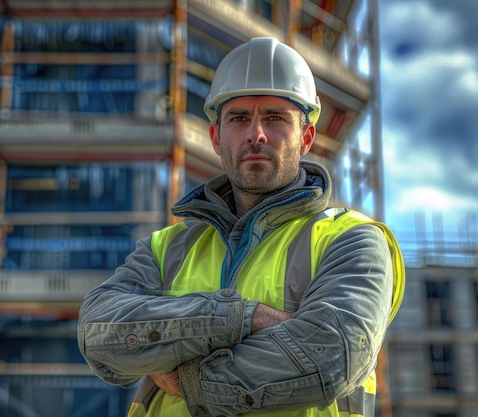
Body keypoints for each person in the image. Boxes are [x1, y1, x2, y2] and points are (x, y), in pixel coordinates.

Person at [77, 37, 405, 417]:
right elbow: (98, 334)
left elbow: (328, 358)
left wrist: (187, 379)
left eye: (275, 117)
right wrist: (244, 317)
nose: (256, 134)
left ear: (306, 139)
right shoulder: (165, 248)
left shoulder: (353, 241)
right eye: (238, 118)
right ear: (216, 137)